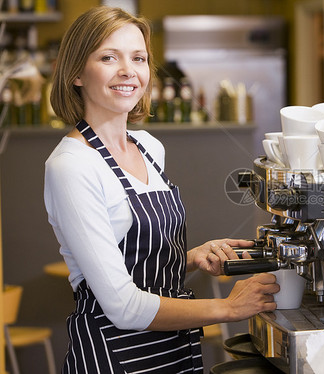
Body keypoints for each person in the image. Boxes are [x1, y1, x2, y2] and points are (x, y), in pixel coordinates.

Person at [44, 6, 279, 373]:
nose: (128, 71)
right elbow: (121, 304)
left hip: (174, 348)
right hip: (115, 356)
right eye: (109, 57)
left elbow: (129, 267)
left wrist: (187, 258)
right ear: (76, 72)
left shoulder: (149, 147)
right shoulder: (71, 166)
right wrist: (229, 308)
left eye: (138, 58)